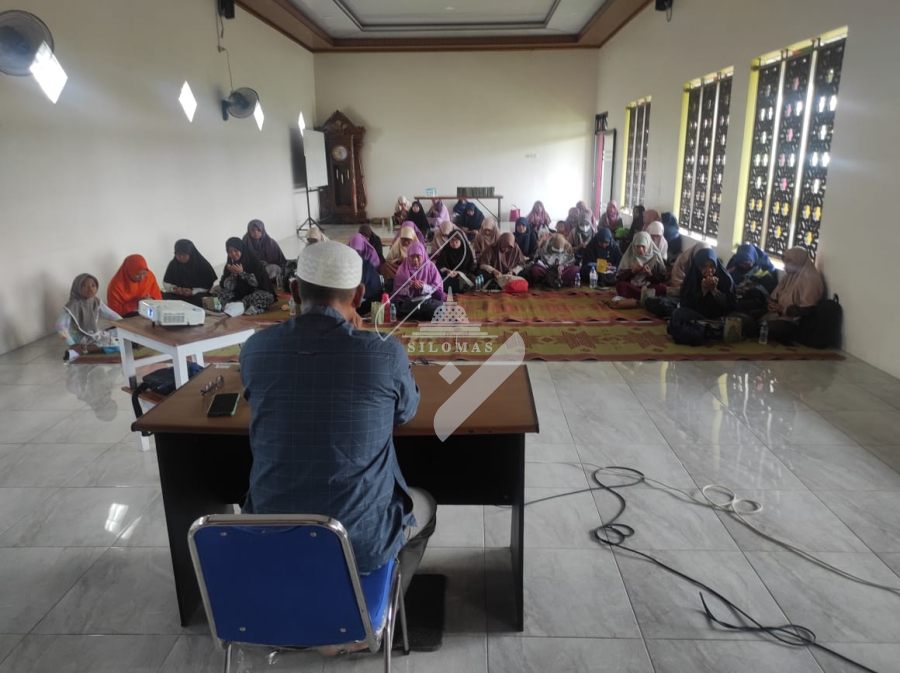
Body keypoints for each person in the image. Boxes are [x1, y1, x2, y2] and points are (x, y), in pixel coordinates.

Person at [240, 240, 436, 610]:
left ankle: (298, 603)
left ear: (294, 291)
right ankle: (378, 612)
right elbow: (405, 412)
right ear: (360, 295)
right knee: (426, 506)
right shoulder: (384, 352)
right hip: (359, 542)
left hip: (270, 536)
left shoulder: (255, 349)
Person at [670, 247, 755, 338]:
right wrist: (703, 291)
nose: (709, 270)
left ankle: (705, 330)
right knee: (677, 314)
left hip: (721, 316)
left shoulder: (725, 278)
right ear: (698, 266)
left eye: (712, 266)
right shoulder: (691, 278)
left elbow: (731, 306)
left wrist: (715, 291)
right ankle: (713, 330)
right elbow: (685, 304)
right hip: (698, 315)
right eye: (704, 266)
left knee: (748, 321)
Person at [764, 247, 825, 344]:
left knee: (765, 328)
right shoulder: (790, 275)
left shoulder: (811, 279)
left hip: (797, 324)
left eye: (789, 262)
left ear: (798, 261)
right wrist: (772, 304)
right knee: (752, 315)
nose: (785, 266)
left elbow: (807, 310)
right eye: (785, 262)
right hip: (780, 315)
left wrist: (783, 310)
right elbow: (775, 295)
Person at [57, 273, 122, 361]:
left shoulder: (95, 301)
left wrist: (125, 325)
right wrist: (72, 344)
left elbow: (112, 315)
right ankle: (82, 349)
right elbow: (60, 326)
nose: (90, 289)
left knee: (121, 334)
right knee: (118, 345)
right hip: (79, 338)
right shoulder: (73, 305)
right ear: (77, 287)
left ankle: (78, 352)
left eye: (93, 285)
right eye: (85, 285)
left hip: (92, 334)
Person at [213, 237, 276, 315]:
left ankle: (240, 305)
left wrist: (242, 273)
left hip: (255, 293)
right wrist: (233, 274)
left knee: (265, 297)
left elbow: (257, 284)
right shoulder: (230, 265)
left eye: (236, 250)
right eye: (230, 252)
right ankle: (241, 305)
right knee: (217, 293)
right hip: (237, 294)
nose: (233, 254)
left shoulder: (254, 262)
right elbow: (227, 287)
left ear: (241, 249)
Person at [393, 242, 446, 321]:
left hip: (427, 300)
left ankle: (414, 315)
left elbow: (438, 288)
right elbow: (397, 291)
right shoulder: (403, 269)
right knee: (398, 306)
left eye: (418, 256)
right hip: (410, 302)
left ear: (423, 256)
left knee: (439, 306)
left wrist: (424, 287)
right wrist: (409, 287)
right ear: (408, 256)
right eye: (412, 257)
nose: (415, 260)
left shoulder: (430, 267)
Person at [162, 239, 217, 307]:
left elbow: (207, 287)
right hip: (178, 295)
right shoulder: (173, 264)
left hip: (195, 295)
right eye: (178, 254)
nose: (181, 257)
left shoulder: (202, 265)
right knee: (161, 296)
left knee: (201, 300)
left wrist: (192, 292)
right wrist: (173, 289)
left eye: (184, 255)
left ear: (191, 253)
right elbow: (166, 282)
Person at [615, 231, 667, 299]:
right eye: (637, 246)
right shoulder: (629, 256)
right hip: (632, 285)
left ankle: (638, 295)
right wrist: (632, 271)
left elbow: (662, 278)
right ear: (633, 246)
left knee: (663, 288)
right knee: (620, 286)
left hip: (649, 285)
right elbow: (619, 278)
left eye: (643, 246)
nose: (640, 250)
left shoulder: (655, 256)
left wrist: (649, 274)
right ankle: (645, 295)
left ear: (649, 245)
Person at [243, 220, 287, 287]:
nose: (255, 232)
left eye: (258, 230)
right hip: (252, 271)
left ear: (262, 230)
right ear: (249, 231)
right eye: (253, 230)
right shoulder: (245, 243)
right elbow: (241, 261)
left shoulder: (271, 243)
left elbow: (281, 261)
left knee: (273, 268)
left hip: (269, 270)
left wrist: (266, 264)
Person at [434, 227, 477, 294]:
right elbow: (439, 265)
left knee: (473, 279)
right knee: (438, 280)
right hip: (448, 276)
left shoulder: (466, 251)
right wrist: (446, 271)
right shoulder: (446, 251)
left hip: (462, 276)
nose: (454, 243)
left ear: (461, 241)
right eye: (451, 241)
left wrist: (458, 273)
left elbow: (471, 268)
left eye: (456, 241)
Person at [347, 234, 383, 315]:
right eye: (353, 250)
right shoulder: (352, 263)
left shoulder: (364, 265)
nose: (356, 253)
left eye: (358, 251)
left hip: (370, 300)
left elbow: (358, 287)